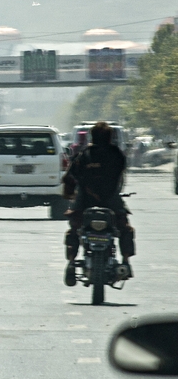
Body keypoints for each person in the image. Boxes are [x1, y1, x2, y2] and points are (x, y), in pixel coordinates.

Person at [63, 121, 135, 287]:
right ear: (110, 137)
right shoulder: (117, 154)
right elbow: (120, 174)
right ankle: (125, 262)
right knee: (125, 229)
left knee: (74, 229)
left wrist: (69, 194)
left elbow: (69, 178)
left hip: (84, 201)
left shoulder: (83, 155)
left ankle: (71, 262)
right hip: (111, 200)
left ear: (91, 136)